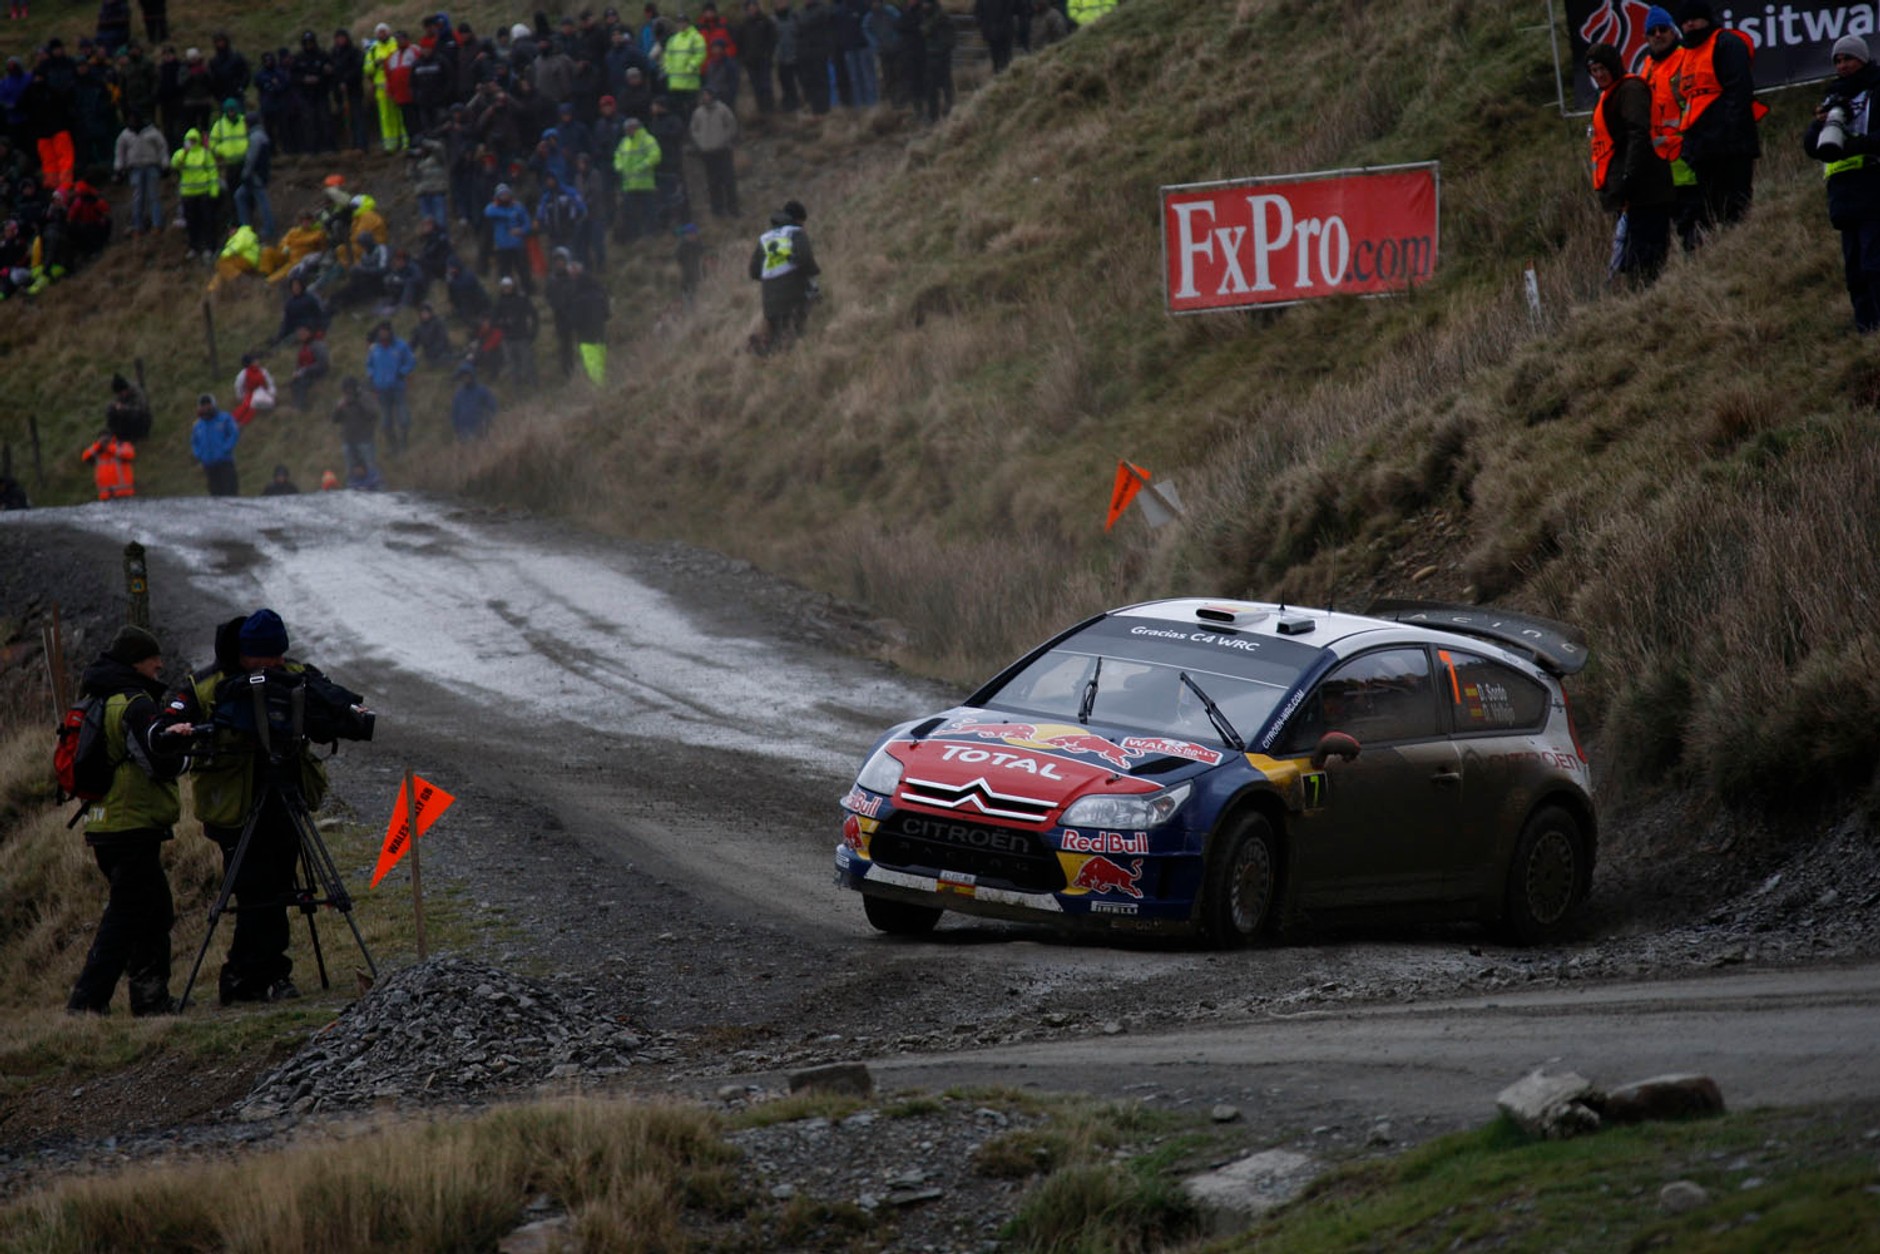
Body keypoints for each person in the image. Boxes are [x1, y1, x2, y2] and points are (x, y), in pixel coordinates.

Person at [160, 610, 368, 1005]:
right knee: (256, 886)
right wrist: (175, 730)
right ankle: (259, 976)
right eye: (264, 658)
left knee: (276, 885)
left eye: (278, 656)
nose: (274, 665)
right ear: (243, 655)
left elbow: (330, 705)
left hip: (284, 794)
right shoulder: (208, 684)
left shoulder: (299, 674)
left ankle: (250, 977)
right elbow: (172, 719)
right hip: (235, 805)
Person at [65, 625, 189, 1017]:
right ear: (138, 661)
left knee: (151, 911)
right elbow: (157, 761)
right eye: (155, 660)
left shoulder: (100, 697)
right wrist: (184, 752)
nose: (161, 665)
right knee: (127, 916)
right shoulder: (135, 703)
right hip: (131, 824)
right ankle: (87, 1002)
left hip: (104, 823)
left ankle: (149, 999)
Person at [1805, 35, 1880, 332]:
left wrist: (1858, 144)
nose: (1843, 65)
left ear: (1863, 59)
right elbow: (1812, 146)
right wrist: (1820, 124)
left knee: (1875, 263)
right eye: (1837, 60)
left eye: (1848, 58)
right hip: (1842, 195)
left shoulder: (1876, 90)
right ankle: (1866, 330)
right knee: (1855, 270)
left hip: (1873, 187)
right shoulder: (1833, 97)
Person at [1586, 43, 1672, 288]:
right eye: (1594, 70)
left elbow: (1639, 134)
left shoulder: (1630, 89)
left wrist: (1628, 177)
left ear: (1613, 65)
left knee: (1646, 255)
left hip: (1644, 189)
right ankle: (1641, 296)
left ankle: (1649, 297)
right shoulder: (1610, 94)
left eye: (1602, 68)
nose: (1599, 74)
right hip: (1627, 192)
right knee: (1631, 256)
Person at [1676, 1, 1758, 240]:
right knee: (1711, 212)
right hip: (1702, 148)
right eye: (1685, 20)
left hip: (1729, 145)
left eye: (1694, 17)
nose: (1689, 24)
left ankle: (1743, 250)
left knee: (1736, 208)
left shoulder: (1726, 43)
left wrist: (1730, 135)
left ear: (1706, 19)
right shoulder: (1687, 54)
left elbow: (1739, 91)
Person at [749, 201, 820, 350]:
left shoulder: (765, 238)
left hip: (769, 301)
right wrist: (814, 275)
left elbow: (754, 271)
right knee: (798, 333)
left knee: (779, 334)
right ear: (798, 219)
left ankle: (764, 347)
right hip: (794, 295)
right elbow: (805, 260)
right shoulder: (795, 232)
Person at [366, 320, 417, 452]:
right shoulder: (374, 348)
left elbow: (411, 361)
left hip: (397, 388)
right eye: (380, 331)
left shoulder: (400, 346)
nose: (382, 333)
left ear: (390, 331)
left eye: (385, 331)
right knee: (386, 423)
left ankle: (404, 443)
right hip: (381, 390)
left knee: (403, 419)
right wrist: (371, 376)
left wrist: (402, 372)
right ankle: (393, 446)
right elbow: (369, 364)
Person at [689, 85, 739, 218]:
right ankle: (717, 210)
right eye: (703, 95)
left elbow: (731, 125)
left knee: (728, 181)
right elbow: (694, 129)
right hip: (707, 152)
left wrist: (724, 139)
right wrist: (700, 142)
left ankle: (733, 209)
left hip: (723, 150)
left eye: (707, 95)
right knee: (713, 183)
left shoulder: (722, 109)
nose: (705, 97)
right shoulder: (698, 112)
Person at [114, 112, 168, 237]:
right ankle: (137, 226)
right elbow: (120, 152)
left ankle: (157, 224)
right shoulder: (125, 135)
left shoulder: (152, 132)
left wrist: (165, 164)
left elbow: (162, 148)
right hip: (135, 168)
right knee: (137, 198)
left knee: (153, 196)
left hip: (151, 166)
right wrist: (118, 169)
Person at [172, 127, 220, 259]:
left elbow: (213, 173)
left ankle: (210, 247)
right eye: (189, 140)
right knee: (191, 222)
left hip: (203, 193)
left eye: (193, 140)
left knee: (207, 220)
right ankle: (194, 247)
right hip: (188, 194)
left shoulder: (205, 154)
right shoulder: (181, 153)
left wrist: (214, 190)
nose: (192, 142)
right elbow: (175, 164)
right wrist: (185, 152)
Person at [613, 116, 660, 241]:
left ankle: (651, 234)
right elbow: (618, 155)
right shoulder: (624, 142)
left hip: (645, 184)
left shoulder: (647, 139)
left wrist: (644, 165)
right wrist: (619, 166)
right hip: (629, 185)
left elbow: (656, 155)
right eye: (627, 129)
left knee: (649, 211)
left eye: (630, 128)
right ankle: (635, 236)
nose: (628, 131)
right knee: (631, 213)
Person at [484, 182, 534, 294]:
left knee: (523, 270)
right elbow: (488, 212)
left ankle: (529, 290)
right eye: (501, 195)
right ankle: (508, 292)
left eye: (506, 194)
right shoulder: (494, 208)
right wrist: (507, 215)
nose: (504, 196)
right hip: (503, 247)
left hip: (517, 245)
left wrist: (521, 230)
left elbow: (527, 224)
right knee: (505, 272)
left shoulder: (518, 207)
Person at [567, 258, 611, 383]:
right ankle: (604, 389)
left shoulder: (577, 299)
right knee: (602, 364)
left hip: (585, 338)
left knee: (593, 368)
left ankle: (600, 393)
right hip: (600, 333)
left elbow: (574, 320)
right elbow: (607, 313)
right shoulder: (599, 293)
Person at [492, 275, 541, 388]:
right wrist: (504, 323)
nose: (507, 289)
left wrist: (533, 332)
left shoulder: (522, 299)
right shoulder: (499, 302)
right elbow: (493, 321)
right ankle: (518, 391)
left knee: (528, 364)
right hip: (508, 339)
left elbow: (534, 315)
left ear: (513, 286)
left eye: (509, 287)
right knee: (513, 367)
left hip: (522, 337)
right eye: (504, 287)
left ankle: (534, 388)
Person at [190, 392, 239, 495]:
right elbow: (194, 442)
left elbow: (233, 434)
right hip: (209, 465)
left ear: (213, 404)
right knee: (215, 495)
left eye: (208, 403)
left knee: (230, 492)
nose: (206, 407)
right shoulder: (198, 425)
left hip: (225, 463)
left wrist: (225, 449)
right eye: (203, 405)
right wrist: (200, 454)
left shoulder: (225, 418)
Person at [332, 375, 378, 476]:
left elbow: (373, 414)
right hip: (348, 440)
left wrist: (358, 403)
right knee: (350, 470)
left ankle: (376, 488)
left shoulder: (365, 397)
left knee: (371, 468)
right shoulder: (342, 400)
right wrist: (338, 408)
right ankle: (352, 489)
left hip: (365, 439)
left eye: (349, 390)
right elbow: (334, 419)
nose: (348, 393)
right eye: (345, 390)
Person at [81, 430, 137, 499]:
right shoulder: (97, 449)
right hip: (105, 495)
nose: (104, 440)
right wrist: (98, 445)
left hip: (124, 494)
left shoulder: (122, 445)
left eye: (106, 438)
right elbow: (85, 457)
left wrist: (109, 447)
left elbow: (129, 454)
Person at [449, 362, 499, 439]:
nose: (465, 378)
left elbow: (493, 408)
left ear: (472, 375)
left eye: (467, 375)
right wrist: (457, 431)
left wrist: (488, 425)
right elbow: (455, 414)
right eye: (463, 376)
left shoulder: (482, 391)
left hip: (482, 433)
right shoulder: (458, 395)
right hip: (464, 435)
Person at [289, 325, 331, 409]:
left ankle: (300, 407)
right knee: (294, 382)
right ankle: (296, 405)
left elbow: (323, 364)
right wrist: (296, 372)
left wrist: (305, 370)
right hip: (306, 374)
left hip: (317, 374)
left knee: (301, 383)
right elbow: (299, 364)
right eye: (299, 333)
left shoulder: (318, 345)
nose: (300, 335)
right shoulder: (303, 347)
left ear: (309, 332)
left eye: (303, 332)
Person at [231, 353, 277, 425]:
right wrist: (241, 396)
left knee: (253, 408)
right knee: (245, 407)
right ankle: (233, 421)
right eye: (255, 361)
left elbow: (270, 381)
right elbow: (238, 386)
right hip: (250, 394)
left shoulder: (262, 371)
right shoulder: (243, 373)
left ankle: (243, 423)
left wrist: (272, 392)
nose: (258, 362)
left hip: (262, 392)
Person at [105, 372, 153, 442]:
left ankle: (136, 437)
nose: (120, 395)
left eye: (121, 393)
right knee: (111, 410)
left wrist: (124, 408)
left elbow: (140, 410)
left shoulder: (137, 393)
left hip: (142, 422)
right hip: (128, 422)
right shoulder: (120, 394)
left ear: (125, 389)